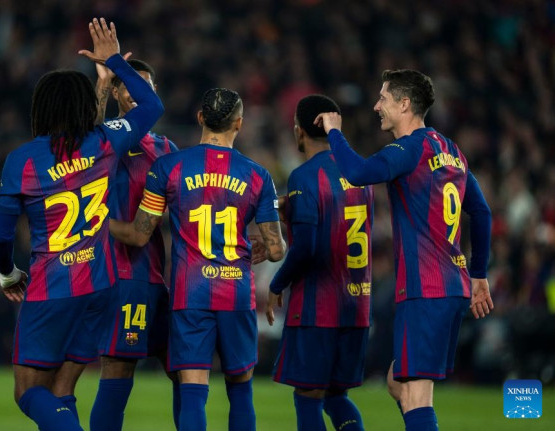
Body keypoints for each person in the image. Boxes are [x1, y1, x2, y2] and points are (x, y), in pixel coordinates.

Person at [0, 18, 163, 431]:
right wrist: (115, 61)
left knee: (27, 392)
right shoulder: (105, 141)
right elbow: (152, 107)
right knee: (60, 390)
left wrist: (8, 273)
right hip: (100, 285)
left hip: (51, 287)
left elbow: (1, 236)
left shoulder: (22, 160)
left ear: (42, 108)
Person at [315, 69, 494, 431]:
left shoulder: (409, 148)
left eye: (383, 98)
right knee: (398, 382)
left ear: (404, 104)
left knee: (414, 394)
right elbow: (481, 212)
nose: (376, 106)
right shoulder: (451, 150)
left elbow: (358, 173)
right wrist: (478, 275)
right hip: (451, 286)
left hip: (425, 289)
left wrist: (334, 131)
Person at [109, 88, 286, 431]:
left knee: (192, 392)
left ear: (201, 118)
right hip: (236, 293)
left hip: (191, 293)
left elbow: (139, 234)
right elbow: (276, 249)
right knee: (241, 390)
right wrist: (264, 246)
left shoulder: (168, 167)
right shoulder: (257, 175)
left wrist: (97, 221)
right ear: (239, 123)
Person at [51, 57, 181, 431]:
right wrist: (104, 83)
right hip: (119, 271)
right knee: (119, 366)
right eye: (129, 83)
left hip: (154, 273)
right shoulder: (106, 139)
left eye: (146, 85)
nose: (139, 91)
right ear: (119, 92)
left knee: (183, 369)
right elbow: (85, 138)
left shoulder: (167, 147)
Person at [266, 94, 373, 431]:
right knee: (336, 396)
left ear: (299, 129)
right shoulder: (360, 172)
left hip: (319, 307)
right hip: (357, 305)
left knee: (308, 395)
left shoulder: (304, 176)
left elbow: (307, 247)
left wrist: (277, 283)